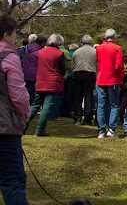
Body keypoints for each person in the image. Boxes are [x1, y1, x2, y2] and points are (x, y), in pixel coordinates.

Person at [0, 14, 31, 205]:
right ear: (6, 35)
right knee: (12, 180)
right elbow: (18, 93)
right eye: (13, 34)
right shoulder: (8, 56)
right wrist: (24, 114)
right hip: (4, 126)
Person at [24, 33, 66, 137]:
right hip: (53, 82)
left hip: (40, 80)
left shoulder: (40, 52)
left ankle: (23, 125)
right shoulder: (59, 54)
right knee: (47, 105)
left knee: (35, 105)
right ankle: (40, 129)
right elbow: (63, 70)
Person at [95, 29, 124, 139]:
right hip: (112, 79)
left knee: (101, 104)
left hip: (101, 78)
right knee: (114, 104)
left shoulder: (99, 48)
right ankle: (111, 129)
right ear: (114, 36)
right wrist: (121, 77)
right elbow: (119, 65)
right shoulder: (117, 48)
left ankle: (101, 130)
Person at [71, 35, 97, 126]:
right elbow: (97, 64)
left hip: (78, 73)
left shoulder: (77, 52)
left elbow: (72, 64)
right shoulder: (95, 51)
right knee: (88, 96)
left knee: (78, 96)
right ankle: (87, 118)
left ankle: (77, 117)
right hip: (90, 73)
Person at [21, 35, 44, 106]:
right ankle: (29, 108)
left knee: (26, 91)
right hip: (33, 74)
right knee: (32, 93)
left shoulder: (27, 49)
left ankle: (24, 106)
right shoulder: (39, 52)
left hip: (25, 73)